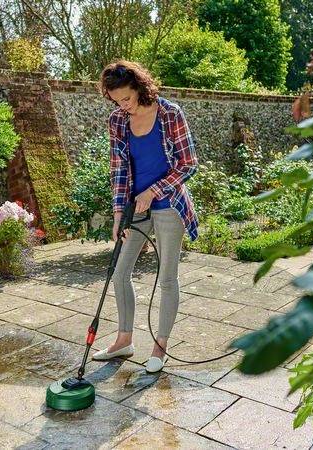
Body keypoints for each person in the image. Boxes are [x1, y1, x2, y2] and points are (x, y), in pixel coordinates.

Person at [91, 60, 199, 373]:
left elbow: (188, 163)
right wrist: (117, 213)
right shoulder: (117, 121)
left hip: (169, 204)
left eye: (126, 98)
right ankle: (124, 340)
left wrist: (153, 191)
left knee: (166, 278)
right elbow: (119, 168)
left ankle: (159, 348)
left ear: (139, 87)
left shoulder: (169, 113)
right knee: (119, 271)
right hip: (134, 207)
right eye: (116, 100)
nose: (122, 105)